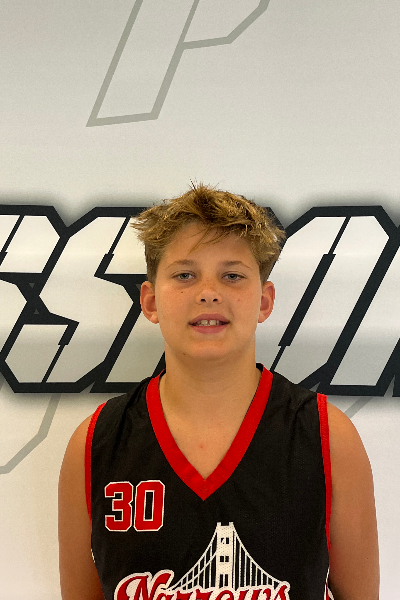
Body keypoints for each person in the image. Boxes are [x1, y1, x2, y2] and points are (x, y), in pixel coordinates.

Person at [58, 184, 379, 600]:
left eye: (232, 275)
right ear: (150, 302)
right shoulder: (93, 444)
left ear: (264, 301)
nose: (208, 292)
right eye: (185, 275)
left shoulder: (328, 438)